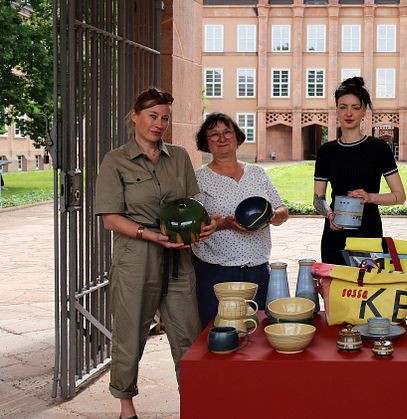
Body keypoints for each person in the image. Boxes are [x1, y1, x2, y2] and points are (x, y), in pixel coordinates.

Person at [94, 88, 218, 419]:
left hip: (179, 262)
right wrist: (150, 234)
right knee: (130, 337)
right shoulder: (115, 161)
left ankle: (191, 403)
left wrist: (203, 223)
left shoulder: (178, 157)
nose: (159, 124)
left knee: (188, 338)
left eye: (165, 118)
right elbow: (110, 219)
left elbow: (195, 201)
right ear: (135, 115)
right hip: (136, 261)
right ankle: (126, 406)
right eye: (153, 116)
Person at [191, 113, 289, 327]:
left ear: (237, 137)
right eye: (214, 134)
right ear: (205, 142)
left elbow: (282, 209)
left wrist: (273, 215)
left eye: (227, 132)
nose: (222, 138)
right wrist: (224, 223)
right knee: (219, 330)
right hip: (217, 271)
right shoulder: (198, 179)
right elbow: (194, 226)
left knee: (258, 332)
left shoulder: (257, 173)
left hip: (257, 268)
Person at [313, 77, 406, 265]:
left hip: (368, 235)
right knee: (334, 293)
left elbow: (400, 196)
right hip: (334, 236)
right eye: (343, 107)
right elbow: (318, 199)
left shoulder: (379, 148)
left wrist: (369, 197)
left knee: (366, 293)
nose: (349, 113)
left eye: (355, 107)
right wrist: (329, 214)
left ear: (364, 111)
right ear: (336, 110)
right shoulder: (326, 151)